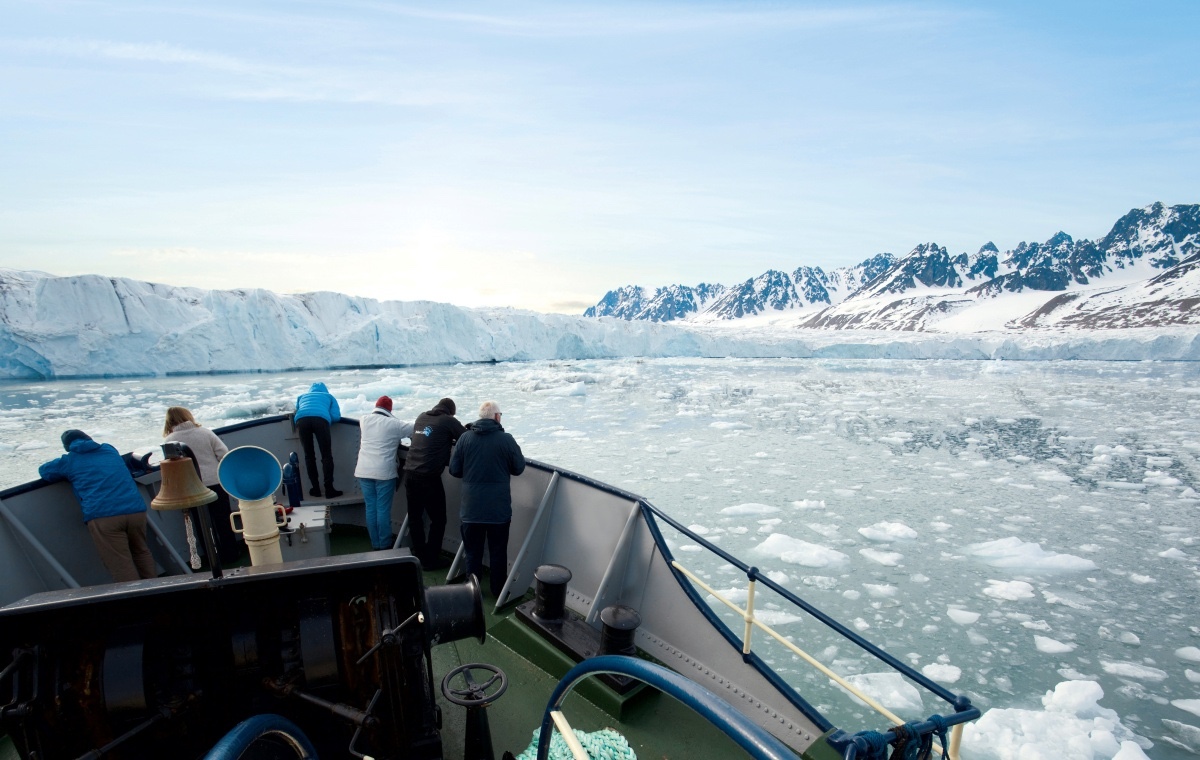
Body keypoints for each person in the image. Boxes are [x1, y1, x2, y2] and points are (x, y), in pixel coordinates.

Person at [38, 429, 157, 582]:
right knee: (141, 552)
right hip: (135, 511)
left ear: (68, 447)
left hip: (104, 516)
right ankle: (158, 588)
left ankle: (136, 595)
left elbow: (44, 471)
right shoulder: (109, 449)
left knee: (120, 562)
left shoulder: (69, 461)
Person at [449, 401, 525, 597]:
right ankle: (498, 591)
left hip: (471, 509)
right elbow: (518, 468)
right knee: (498, 553)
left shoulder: (465, 438)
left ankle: (472, 592)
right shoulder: (506, 439)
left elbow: (454, 470)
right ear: (497, 417)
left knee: (472, 553)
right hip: (498, 511)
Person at [163, 406, 240, 564]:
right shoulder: (205, 433)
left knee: (202, 524)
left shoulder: (170, 440)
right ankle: (231, 555)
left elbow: (173, 466)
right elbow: (223, 454)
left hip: (192, 487)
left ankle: (213, 558)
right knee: (223, 520)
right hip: (215, 482)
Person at [403, 397, 465, 567]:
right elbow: (465, 437)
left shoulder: (421, 417)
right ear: (451, 412)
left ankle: (419, 556)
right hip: (428, 477)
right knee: (438, 519)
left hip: (410, 473)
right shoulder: (448, 420)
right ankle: (431, 559)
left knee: (415, 518)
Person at [354, 396, 414, 550]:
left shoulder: (364, 420)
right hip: (384, 472)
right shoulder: (395, 424)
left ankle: (375, 543)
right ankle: (385, 543)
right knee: (382, 509)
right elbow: (415, 428)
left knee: (371, 508)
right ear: (390, 409)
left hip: (363, 471)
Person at [295, 381, 343, 499]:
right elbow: (336, 416)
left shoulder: (301, 397)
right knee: (326, 456)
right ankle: (329, 490)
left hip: (302, 420)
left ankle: (315, 489)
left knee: (309, 456)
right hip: (320, 420)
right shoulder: (329, 397)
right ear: (325, 390)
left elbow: (298, 410)